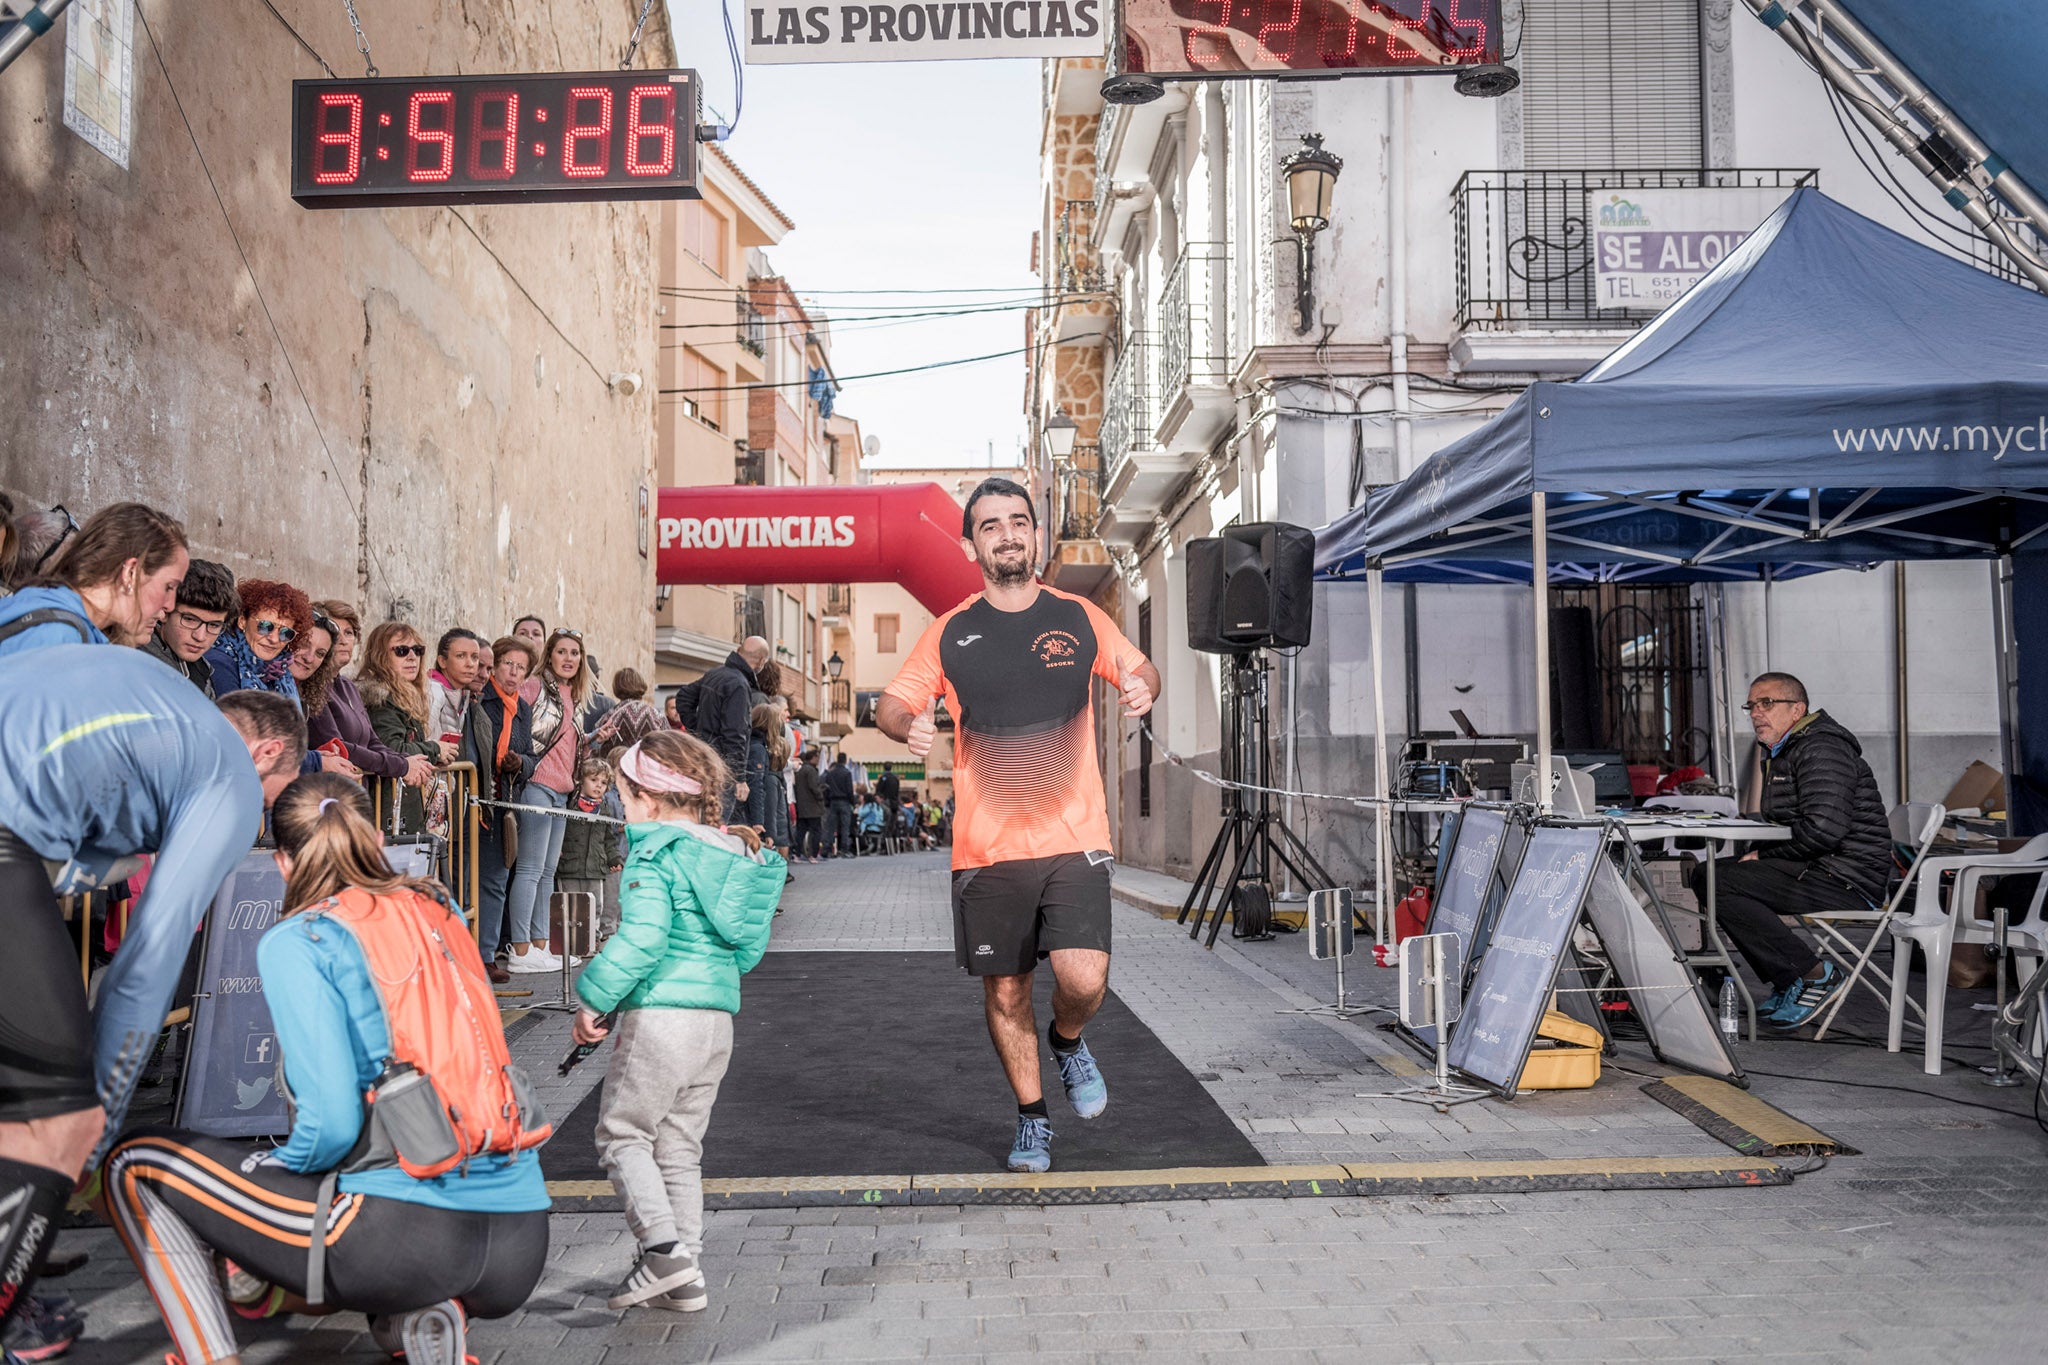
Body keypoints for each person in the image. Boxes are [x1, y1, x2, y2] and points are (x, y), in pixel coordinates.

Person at [101, 772, 550, 1365]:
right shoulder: (438, 909)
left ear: (282, 860)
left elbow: (332, 1123)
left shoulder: (303, 936)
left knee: (135, 1162)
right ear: (375, 837)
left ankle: (214, 1353)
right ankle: (417, 1318)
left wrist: (271, 1183)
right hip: (519, 1240)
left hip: (402, 1236)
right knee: (340, 1198)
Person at [0, 640, 302, 1336]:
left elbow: (80, 852)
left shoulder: (155, 702)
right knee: (61, 1115)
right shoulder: (228, 771)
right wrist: (100, 1120)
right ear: (265, 754)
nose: (254, 823)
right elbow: (147, 963)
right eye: (270, 803)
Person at [876, 476, 1158, 1174]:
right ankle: (1032, 1118)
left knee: (1084, 977)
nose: (1007, 533)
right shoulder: (950, 632)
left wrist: (1145, 681)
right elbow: (891, 703)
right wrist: (905, 722)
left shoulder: (1079, 616)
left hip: (1075, 835)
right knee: (1005, 990)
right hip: (987, 845)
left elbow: (1135, 663)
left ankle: (1068, 1038)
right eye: (991, 524)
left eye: (1018, 521)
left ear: (1036, 534)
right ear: (972, 542)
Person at [570, 733, 783, 1314]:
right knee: (680, 1146)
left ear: (652, 799)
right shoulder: (732, 857)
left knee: (623, 1133)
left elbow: (642, 939)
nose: (622, 808)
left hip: (662, 1015)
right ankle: (683, 1272)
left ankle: (662, 1251)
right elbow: (746, 950)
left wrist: (594, 997)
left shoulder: (655, 852)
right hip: (716, 1021)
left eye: (624, 795)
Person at [1693, 672, 1895, 1030]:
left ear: (1797, 709)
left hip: (1846, 877)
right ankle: (1791, 979)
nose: (1757, 713)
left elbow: (1823, 829)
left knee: (1718, 881)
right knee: (1710, 875)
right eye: (1752, 705)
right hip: (1822, 866)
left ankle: (1813, 975)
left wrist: (1764, 857)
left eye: (1767, 703)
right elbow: (1792, 822)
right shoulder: (1785, 749)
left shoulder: (1821, 749)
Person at [504, 630, 592, 973]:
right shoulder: (536, 686)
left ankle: (540, 945)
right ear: (550, 656)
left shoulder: (575, 695)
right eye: (561, 652)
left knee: (547, 872)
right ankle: (521, 949)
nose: (568, 658)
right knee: (529, 869)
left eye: (575, 653)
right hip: (537, 784)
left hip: (561, 790)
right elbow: (516, 727)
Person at [0, 500, 188, 655]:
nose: (170, 605)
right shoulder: (58, 637)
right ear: (130, 573)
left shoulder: (49, 612)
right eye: (169, 587)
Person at [464, 636, 537, 981]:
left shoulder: (522, 709)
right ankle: (463, 953)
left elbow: (532, 757)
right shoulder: (479, 696)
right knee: (464, 879)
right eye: (508, 663)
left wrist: (518, 762)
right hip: (472, 800)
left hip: (504, 803)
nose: (513, 671)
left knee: (496, 879)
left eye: (521, 667)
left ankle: (486, 954)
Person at [309, 600, 431, 791]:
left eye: (349, 632)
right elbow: (338, 748)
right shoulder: (313, 687)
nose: (342, 639)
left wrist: (406, 761)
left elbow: (373, 742)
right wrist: (401, 765)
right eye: (335, 631)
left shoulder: (348, 686)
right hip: (327, 797)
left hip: (357, 797)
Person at [359, 621, 449, 833]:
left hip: (403, 807)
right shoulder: (380, 699)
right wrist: (435, 749)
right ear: (380, 656)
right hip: (387, 811)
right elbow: (392, 748)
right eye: (401, 651)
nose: (412, 657)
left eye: (418, 650)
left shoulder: (406, 696)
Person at [690, 636, 769, 820]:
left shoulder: (715, 674)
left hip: (705, 761)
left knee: (704, 824)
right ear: (762, 661)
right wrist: (739, 778)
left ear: (739, 651)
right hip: (723, 769)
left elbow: (685, 697)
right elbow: (735, 734)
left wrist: (699, 732)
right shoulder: (739, 685)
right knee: (717, 826)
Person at [204, 578, 313, 703]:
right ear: (242, 621)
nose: (274, 639)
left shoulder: (280, 672)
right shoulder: (220, 662)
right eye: (265, 626)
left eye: (285, 633)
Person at [142, 557, 235, 697]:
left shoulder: (202, 669)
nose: (200, 636)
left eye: (214, 625)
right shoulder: (139, 661)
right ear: (166, 612)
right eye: (190, 619)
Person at [557, 758, 624, 939]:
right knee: (570, 906)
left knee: (594, 907)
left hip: (595, 868)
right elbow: (559, 831)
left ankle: (590, 941)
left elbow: (609, 838)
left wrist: (614, 858)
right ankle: (569, 943)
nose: (598, 786)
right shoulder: (569, 803)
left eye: (603, 782)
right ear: (581, 780)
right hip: (569, 866)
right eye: (593, 780)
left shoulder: (604, 808)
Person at [427, 628, 484, 748]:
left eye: (475, 657)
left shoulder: (462, 694)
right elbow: (420, 741)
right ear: (442, 661)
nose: (470, 664)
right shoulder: (432, 691)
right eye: (461, 656)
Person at [793, 751, 826, 863]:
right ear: (813, 757)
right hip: (813, 807)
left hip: (802, 806)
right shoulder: (811, 770)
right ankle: (813, 855)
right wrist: (820, 796)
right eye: (817, 757)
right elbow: (814, 787)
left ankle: (796, 854)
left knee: (801, 831)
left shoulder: (800, 770)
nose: (818, 760)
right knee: (816, 831)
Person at [876, 762, 902, 840]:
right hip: (894, 803)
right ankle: (891, 841)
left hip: (886, 803)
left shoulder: (883, 778)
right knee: (892, 823)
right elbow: (897, 791)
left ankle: (885, 841)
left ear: (884, 768)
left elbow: (879, 791)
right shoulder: (895, 778)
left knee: (886, 822)